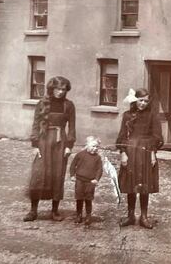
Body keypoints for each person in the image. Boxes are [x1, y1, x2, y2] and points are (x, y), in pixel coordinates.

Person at [23, 76, 76, 222]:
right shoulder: (42, 103)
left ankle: (55, 211)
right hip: (44, 141)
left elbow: (72, 127)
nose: (60, 92)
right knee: (38, 175)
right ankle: (33, 211)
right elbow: (35, 124)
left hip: (60, 142)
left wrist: (69, 146)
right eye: (57, 89)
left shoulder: (69, 105)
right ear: (51, 89)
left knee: (57, 175)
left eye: (63, 90)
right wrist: (35, 145)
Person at [115, 88, 164, 229]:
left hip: (145, 152)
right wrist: (123, 153)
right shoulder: (127, 115)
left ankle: (143, 216)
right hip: (131, 152)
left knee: (144, 185)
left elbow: (157, 137)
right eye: (140, 100)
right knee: (131, 184)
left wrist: (152, 153)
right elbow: (122, 136)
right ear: (135, 100)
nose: (143, 103)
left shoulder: (152, 116)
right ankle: (130, 216)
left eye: (146, 101)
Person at [69, 136, 103, 225]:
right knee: (79, 198)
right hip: (79, 180)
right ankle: (78, 215)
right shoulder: (80, 155)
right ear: (87, 145)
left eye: (97, 147)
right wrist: (72, 175)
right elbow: (73, 165)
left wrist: (96, 179)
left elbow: (99, 169)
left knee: (88, 199)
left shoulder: (97, 158)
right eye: (93, 146)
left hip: (90, 181)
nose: (95, 149)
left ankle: (88, 216)